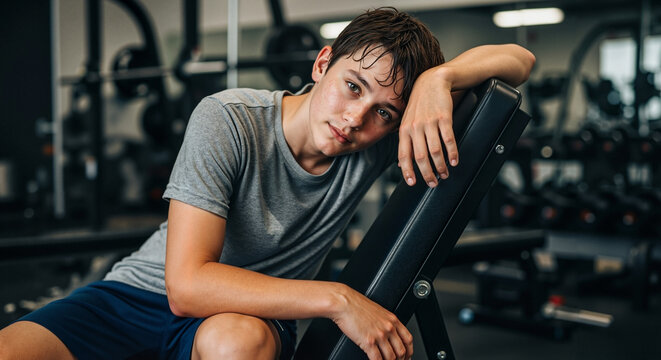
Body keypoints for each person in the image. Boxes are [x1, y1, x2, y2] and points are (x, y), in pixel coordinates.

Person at [0, 7, 535, 360]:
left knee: (235, 343)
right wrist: (339, 300)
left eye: (383, 112)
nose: (354, 119)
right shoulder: (228, 119)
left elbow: (521, 60)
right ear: (322, 62)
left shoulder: (368, 148)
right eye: (352, 86)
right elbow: (185, 288)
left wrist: (439, 79)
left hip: (249, 319)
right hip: (134, 296)